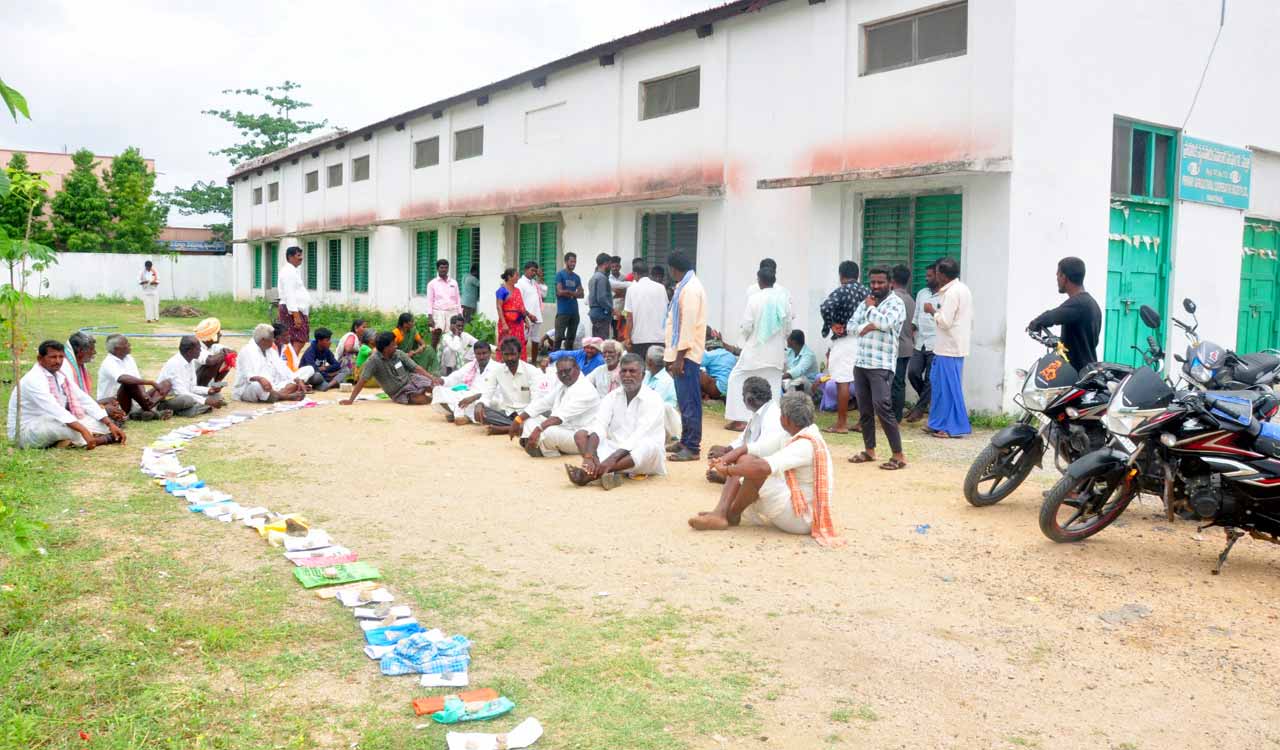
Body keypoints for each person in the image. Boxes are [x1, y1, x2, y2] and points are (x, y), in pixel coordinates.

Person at [688, 392, 842, 547]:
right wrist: (723, 460)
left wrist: (728, 470)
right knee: (747, 460)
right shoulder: (795, 433)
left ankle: (728, 514)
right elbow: (751, 448)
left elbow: (763, 468)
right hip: (794, 504)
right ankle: (722, 513)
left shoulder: (805, 444)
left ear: (786, 419)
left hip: (801, 519)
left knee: (755, 469)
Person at [567, 353, 666, 489]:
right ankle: (604, 470)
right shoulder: (612, 396)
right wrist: (589, 456)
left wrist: (611, 459)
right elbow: (599, 425)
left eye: (632, 371)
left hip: (641, 456)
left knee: (647, 446)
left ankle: (592, 474)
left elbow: (639, 436)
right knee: (581, 435)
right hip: (613, 450)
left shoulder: (653, 399)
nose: (627, 375)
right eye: (624, 371)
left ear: (643, 375)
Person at [8, 340, 125, 449]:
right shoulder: (33, 379)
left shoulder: (60, 375)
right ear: (40, 359)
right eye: (53, 357)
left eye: (61, 357)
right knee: (72, 427)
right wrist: (83, 430)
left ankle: (71, 440)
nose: (58, 361)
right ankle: (100, 439)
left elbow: (83, 399)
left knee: (98, 422)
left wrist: (109, 424)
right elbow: (56, 410)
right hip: (26, 431)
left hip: (53, 420)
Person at [847, 267, 908, 471]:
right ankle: (869, 450)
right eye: (872, 282)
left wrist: (872, 314)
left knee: (882, 407)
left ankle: (899, 456)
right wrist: (866, 326)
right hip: (862, 362)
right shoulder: (867, 300)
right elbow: (850, 325)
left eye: (880, 282)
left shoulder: (896, 303)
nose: (875, 286)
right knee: (864, 409)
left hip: (881, 364)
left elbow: (885, 323)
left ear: (889, 282)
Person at [724, 265, 791, 431]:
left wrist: (741, 343)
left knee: (735, 379)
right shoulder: (783, 298)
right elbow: (788, 327)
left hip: (755, 350)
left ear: (759, 281)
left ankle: (740, 419)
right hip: (775, 352)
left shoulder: (755, 298)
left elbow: (747, 326)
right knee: (773, 386)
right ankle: (772, 421)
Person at [508, 355, 601, 458]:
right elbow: (543, 403)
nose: (564, 375)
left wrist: (538, 429)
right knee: (530, 419)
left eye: (567, 371)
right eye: (560, 373)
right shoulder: (565, 384)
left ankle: (543, 448)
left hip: (580, 437)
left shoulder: (585, 389)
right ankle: (539, 445)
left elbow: (559, 417)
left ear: (577, 368)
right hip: (563, 430)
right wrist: (518, 419)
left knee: (547, 431)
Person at [664, 251, 707, 462]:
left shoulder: (690, 289)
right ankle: (684, 440)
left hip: (687, 354)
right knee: (684, 400)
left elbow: (687, 326)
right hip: (682, 353)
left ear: (674, 268)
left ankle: (692, 446)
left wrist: (679, 358)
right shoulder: (685, 286)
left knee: (690, 402)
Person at [924, 257, 973, 438]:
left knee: (949, 389)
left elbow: (945, 322)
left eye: (936, 272)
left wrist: (932, 311)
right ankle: (937, 422)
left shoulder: (953, 293)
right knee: (938, 385)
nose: (935, 276)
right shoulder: (961, 289)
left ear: (943, 275)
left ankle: (954, 427)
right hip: (948, 346)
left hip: (950, 348)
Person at [818, 260, 869, 434]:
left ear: (841, 276)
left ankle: (841, 424)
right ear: (858, 275)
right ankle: (863, 423)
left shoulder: (842, 290)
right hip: (864, 339)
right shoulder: (867, 291)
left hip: (845, 339)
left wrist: (832, 324)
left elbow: (826, 307)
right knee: (862, 382)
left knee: (842, 382)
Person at [1028, 256, 1102, 371]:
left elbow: (1052, 316)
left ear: (1064, 277)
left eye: (1058, 274)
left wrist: (1035, 324)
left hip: (1076, 374)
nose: (1056, 278)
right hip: (1084, 369)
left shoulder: (1079, 303)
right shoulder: (1090, 303)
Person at [705, 376, 783, 484]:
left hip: (761, 461)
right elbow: (743, 438)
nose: (742, 399)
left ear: (749, 399)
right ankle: (731, 474)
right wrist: (727, 451)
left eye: (743, 395)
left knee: (743, 459)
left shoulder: (772, 416)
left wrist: (731, 456)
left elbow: (762, 451)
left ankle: (730, 477)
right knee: (716, 449)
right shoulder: (759, 411)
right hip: (749, 452)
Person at [342, 331, 439, 406]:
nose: (396, 346)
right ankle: (436, 401)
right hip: (399, 392)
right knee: (418, 398)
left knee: (433, 385)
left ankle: (442, 396)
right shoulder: (373, 361)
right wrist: (351, 400)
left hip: (411, 380)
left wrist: (431, 378)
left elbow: (416, 368)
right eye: (393, 344)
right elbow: (362, 380)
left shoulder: (399, 353)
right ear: (385, 348)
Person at [473, 337, 541, 431]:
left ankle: (506, 428)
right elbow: (487, 393)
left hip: (527, 414)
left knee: (541, 414)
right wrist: (479, 404)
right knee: (482, 412)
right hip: (508, 414)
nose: (510, 358)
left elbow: (536, 401)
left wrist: (521, 417)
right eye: (506, 355)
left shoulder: (532, 371)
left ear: (519, 354)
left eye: (513, 354)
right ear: (502, 355)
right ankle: (519, 428)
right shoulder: (497, 371)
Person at [97, 334, 172, 419]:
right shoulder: (108, 362)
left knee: (166, 383)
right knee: (128, 383)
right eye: (126, 343)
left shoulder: (129, 358)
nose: (129, 345)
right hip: (116, 402)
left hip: (136, 398)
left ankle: (141, 411)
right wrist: (150, 382)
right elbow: (123, 378)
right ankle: (151, 411)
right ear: (117, 349)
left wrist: (144, 394)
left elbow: (137, 379)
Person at [234, 324, 313, 403]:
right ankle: (285, 396)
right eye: (272, 338)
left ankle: (276, 395)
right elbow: (247, 374)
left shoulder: (270, 350)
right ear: (263, 340)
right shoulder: (247, 351)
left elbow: (283, 368)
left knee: (299, 377)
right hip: (250, 388)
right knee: (257, 386)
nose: (273, 340)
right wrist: (260, 379)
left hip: (273, 386)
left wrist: (297, 379)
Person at [61, 332, 127, 424]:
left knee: (111, 414)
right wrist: (103, 410)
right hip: (65, 413)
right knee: (107, 424)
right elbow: (68, 404)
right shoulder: (65, 367)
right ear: (81, 351)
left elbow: (81, 398)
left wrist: (101, 403)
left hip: (78, 408)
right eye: (92, 349)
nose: (95, 352)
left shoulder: (79, 365)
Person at [905, 263, 942, 423]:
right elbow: (916, 316)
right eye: (926, 276)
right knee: (913, 372)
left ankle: (919, 409)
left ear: (939, 276)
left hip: (937, 342)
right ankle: (925, 404)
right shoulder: (922, 293)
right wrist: (910, 329)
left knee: (930, 379)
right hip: (920, 342)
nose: (927, 279)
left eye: (930, 276)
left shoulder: (946, 295)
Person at [157, 335, 225, 416]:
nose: (200, 351)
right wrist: (205, 401)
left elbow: (191, 387)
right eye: (198, 349)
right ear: (190, 351)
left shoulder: (190, 361)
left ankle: (191, 410)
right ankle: (168, 408)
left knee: (217, 396)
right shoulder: (174, 364)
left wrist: (208, 390)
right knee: (187, 400)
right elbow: (180, 392)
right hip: (171, 398)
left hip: (186, 395)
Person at [432, 340, 495, 422]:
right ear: (475, 355)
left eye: (484, 353)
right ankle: (460, 414)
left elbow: (495, 392)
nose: (482, 357)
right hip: (468, 395)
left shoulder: (497, 368)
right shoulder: (472, 365)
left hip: (487, 398)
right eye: (478, 354)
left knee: (494, 403)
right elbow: (456, 376)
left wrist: (474, 397)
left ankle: (464, 416)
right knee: (438, 390)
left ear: (490, 353)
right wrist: (442, 380)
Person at [622, 258, 667, 362]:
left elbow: (629, 317)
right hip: (659, 338)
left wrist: (627, 338)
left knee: (640, 371)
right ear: (648, 273)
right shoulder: (661, 288)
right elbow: (666, 313)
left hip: (639, 339)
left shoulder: (632, 289)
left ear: (635, 274)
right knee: (657, 371)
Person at [889, 264, 917, 422]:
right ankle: (896, 415)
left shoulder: (892, 299)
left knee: (893, 383)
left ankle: (894, 415)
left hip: (895, 346)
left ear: (892, 280)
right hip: (907, 346)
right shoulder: (911, 300)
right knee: (899, 382)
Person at [643, 345, 681, 444]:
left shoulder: (665, 380)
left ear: (650, 361)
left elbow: (653, 403)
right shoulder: (646, 375)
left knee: (662, 406)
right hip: (648, 417)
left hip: (665, 421)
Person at [278, 245, 311, 352]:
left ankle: (290, 363)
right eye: (298, 255)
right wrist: (296, 316)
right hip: (292, 311)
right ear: (290, 257)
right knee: (298, 339)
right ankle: (290, 364)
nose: (301, 258)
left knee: (295, 339)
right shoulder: (288, 272)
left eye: (301, 255)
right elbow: (289, 294)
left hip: (296, 310)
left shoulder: (293, 271)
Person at [495, 268, 528, 362]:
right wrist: (504, 323)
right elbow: (499, 307)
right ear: (509, 277)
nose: (518, 277)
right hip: (507, 324)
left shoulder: (517, 290)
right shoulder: (502, 291)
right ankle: (503, 363)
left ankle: (518, 363)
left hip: (518, 324)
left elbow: (521, 308)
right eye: (516, 275)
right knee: (506, 344)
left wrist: (526, 320)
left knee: (518, 344)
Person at [554, 252, 584, 350]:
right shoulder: (560, 275)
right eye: (571, 261)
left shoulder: (577, 277)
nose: (573, 264)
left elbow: (582, 294)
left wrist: (568, 292)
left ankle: (567, 359)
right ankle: (554, 358)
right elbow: (559, 292)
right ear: (566, 261)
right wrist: (573, 293)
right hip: (563, 312)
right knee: (558, 337)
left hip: (574, 312)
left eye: (575, 262)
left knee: (571, 338)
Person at [194, 317, 235, 387]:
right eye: (218, 333)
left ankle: (215, 385)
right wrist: (223, 354)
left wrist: (228, 354)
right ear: (212, 335)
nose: (220, 335)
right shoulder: (196, 346)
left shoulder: (212, 346)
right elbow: (210, 361)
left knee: (229, 357)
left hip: (201, 379)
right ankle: (205, 388)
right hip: (193, 383)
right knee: (215, 360)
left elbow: (233, 352)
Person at [515, 261, 544, 361]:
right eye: (532, 270)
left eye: (535, 271)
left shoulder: (534, 283)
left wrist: (540, 278)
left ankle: (534, 362)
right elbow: (519, 302)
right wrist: (528, 315)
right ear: (525, 270)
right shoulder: (520, 283)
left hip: (537, 316)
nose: (534, 273)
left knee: (535, 340)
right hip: (526, 317)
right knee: (523, 341)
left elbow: (544, 293)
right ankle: (521, 362)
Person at [426, 258, 463, 334]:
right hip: (438, 313)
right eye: (441, 268)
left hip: (452, 313)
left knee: (452, 334)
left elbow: (457, 299)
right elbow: (429, 301)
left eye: (446, 267)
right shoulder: (432, 284)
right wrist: (430, 317)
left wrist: (460, 313)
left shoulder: (454, 282)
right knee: (437, 335)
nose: (444, 270)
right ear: (437, 269)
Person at [587, 252, 613, 340]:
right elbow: (601, 298)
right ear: (605, 264)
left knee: (596, 341)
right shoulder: (602, 278)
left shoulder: (593, 277)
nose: (611, 267)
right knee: (602, 342)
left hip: (595, 314)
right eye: (610, 264)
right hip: (601, 314)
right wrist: (611, 309)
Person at [608, 255, 631, 340]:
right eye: (612, 266)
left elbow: (626, 293)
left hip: (622, 309)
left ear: (620, 267)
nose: (614, 268)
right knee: (611, 331)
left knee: (621, 331)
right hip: (612, 309)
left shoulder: (624, 278)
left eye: (616, 266)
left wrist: (617, 291)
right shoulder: (608, 278)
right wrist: (618, 292)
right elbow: (611, 294)